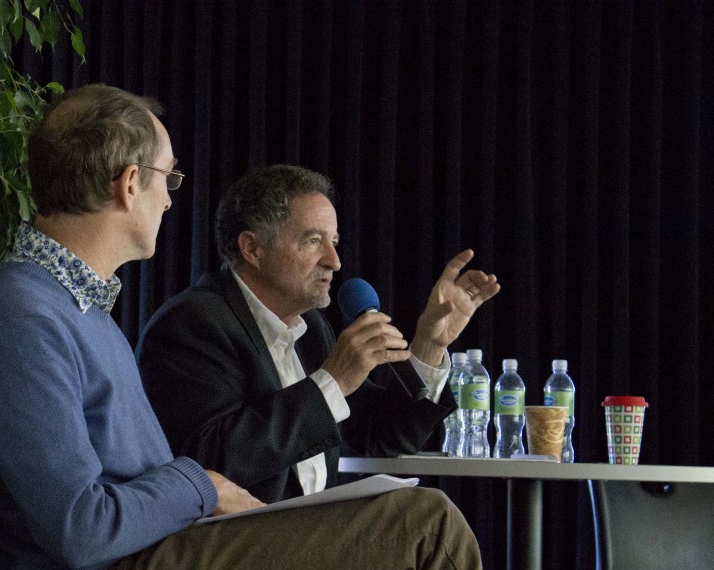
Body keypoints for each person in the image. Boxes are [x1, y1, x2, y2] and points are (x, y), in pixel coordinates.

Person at [0, 83, 513, 570]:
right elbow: (80, 529)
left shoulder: (78, 310)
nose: (168, 199)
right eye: (169, 180)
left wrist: (428, 348)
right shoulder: (22, 317)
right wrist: (201, 484)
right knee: (425, 520)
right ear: (129, 184)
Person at [137, 164, 500, 503]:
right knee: (428, 514)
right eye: (313, 241)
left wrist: (430, 344)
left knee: (424, 509)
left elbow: (381, 437)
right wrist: (334, 381)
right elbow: (209, 462)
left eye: (334, 242)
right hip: (237, 541)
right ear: (252, 248)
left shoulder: (311, 329)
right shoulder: (193, 323)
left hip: (312, 527)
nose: (334, 261)